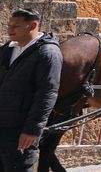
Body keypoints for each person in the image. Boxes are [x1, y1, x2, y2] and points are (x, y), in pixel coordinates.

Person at [0, 9, 63, 172]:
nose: (10, 29)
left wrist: (32, 130)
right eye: (9, 25)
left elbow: (47, 93)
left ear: (32, 25)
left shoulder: (47, 53)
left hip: (20, 129)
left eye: (16, 26)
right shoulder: (9, 48)